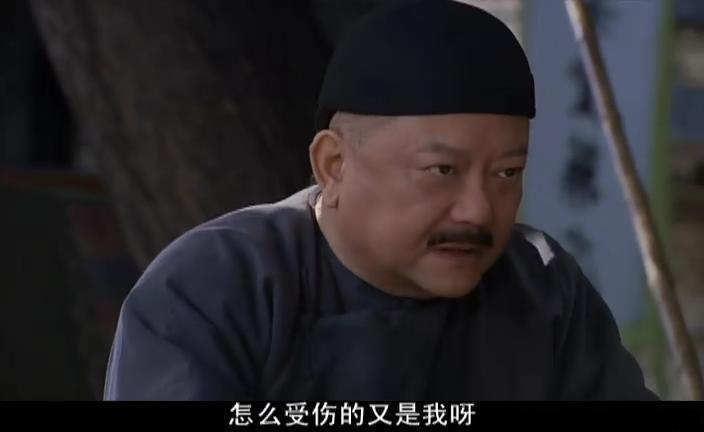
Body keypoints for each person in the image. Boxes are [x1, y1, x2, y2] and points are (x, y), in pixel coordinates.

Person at [103, 0, 658, 401]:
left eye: (506, 173)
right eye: (442, 171)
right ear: (334, 164)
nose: (478, 211)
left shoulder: (543, 289)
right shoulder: (215, 284)